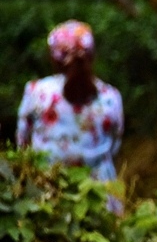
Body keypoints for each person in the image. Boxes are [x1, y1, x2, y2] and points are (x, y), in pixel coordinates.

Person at [16, 20, 124, 213]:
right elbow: (114, 144)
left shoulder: (37, 92)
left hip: (49, 194)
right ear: (92, 55)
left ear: (53, 58)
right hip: (100, 197)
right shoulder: (110, 97)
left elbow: (23, 143)